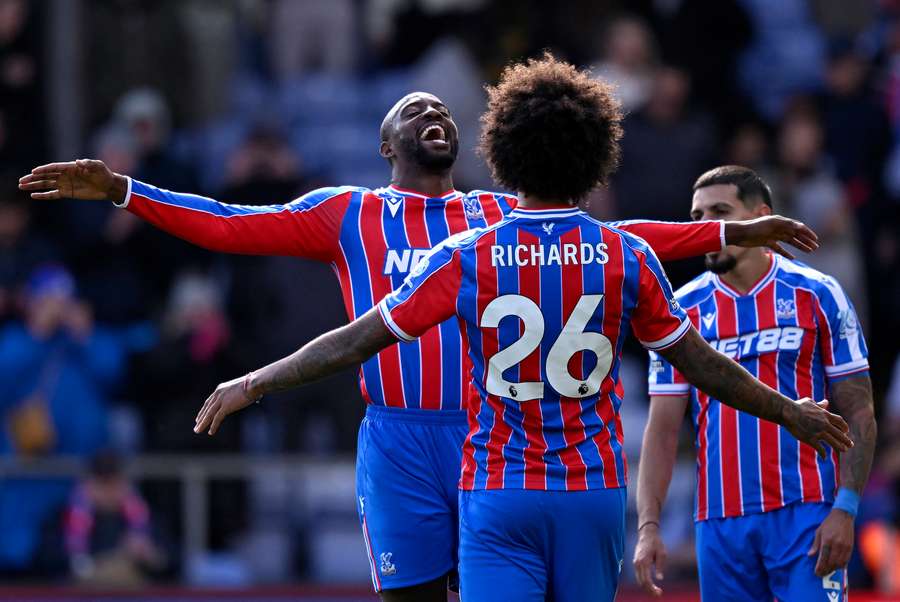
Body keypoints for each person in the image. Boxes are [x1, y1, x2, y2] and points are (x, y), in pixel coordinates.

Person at [20, 94, 818, 601]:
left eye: (442, 111)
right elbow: (230, 226)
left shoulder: (495, 215)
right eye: (413, 111)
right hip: (397, 441)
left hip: (486, 436)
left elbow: (616, 237)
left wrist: (726, 234)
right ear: (386, 144)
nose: (433, 114)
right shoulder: (347, 213)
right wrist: (126, 190)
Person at [635, 166, 876, 601]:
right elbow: (663, 429)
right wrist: (648, 526)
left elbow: (859, 410)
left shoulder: (817, 293)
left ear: (761, 218)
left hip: (807, 515)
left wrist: (845, 508)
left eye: (720, 212)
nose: (706, 227)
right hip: (720, 523)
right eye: (696, 217)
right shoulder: (680, 310)